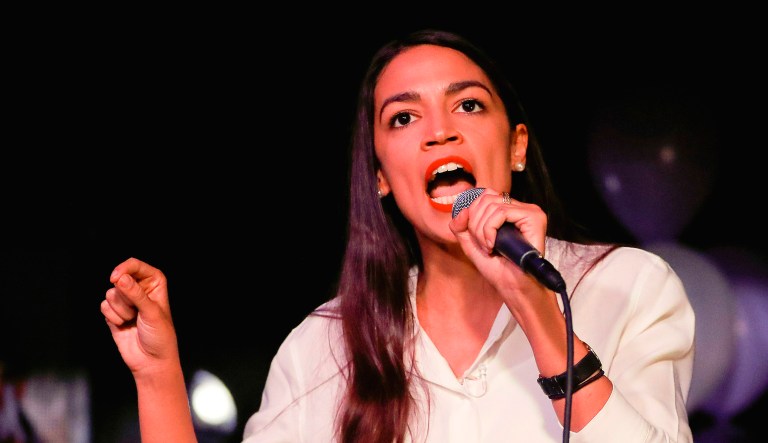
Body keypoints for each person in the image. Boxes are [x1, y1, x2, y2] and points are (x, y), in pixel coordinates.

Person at [100, 29, 696, 442]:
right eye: (404, 118)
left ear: (515, 147)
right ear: (382, 177)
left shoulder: (626, 287)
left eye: (467, 106)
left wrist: (538, 312)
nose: (438, 132)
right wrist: (158, 377)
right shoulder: (323, 346)